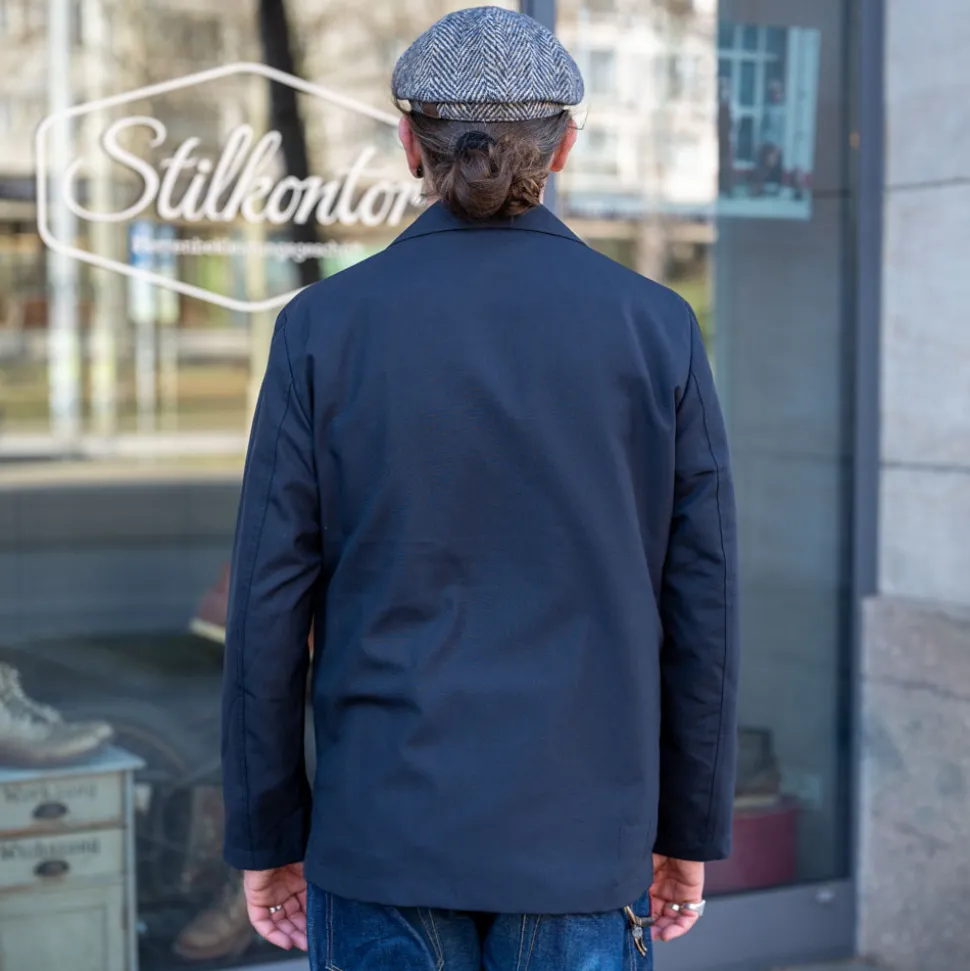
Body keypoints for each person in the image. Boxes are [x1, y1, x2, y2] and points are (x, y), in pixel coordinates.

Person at [221, 6, 739, 970]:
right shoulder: (656, 326)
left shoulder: (322, 327)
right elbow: (700, 604)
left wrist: (266, 832)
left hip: (380, 831)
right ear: (566, 146)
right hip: (585, 840)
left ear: (408, 144)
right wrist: (688, 825)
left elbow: (266, 607)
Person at [754, 78, 786, 195]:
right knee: (764, 166)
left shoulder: (782, 110)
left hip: (776, 143)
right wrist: (759, 141)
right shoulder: (767, 108)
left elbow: (782, 129)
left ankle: (774, 188)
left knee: (773, 165)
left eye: (777, 92)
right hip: (767, 142)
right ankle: (759, 188)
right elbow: (763, 127)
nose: (775, 95)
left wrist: (780, 145)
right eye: (773, 93)